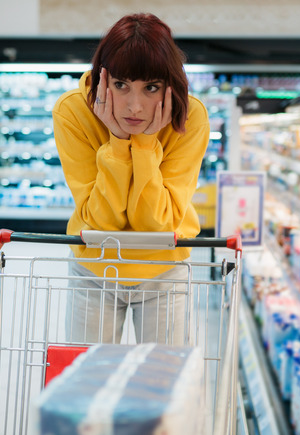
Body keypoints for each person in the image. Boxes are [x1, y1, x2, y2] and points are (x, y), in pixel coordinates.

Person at [52, 13, 210, 345]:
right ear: (102, 79)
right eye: (121, 85)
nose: (134, 106)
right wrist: (118, 143)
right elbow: (100, 221)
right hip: (95, 268)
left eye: (150, 87)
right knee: (89, 385)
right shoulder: (73, 112)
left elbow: (159, 222)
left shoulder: (190, 117)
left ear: (169, 85)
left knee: (162, 385)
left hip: (164, 271)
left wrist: (143, 144)